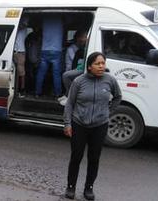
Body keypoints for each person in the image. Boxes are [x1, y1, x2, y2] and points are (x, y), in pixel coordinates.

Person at [63, 51, 122, 200]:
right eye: (97, 63)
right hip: (79, 124)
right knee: (76, 156)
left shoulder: (110, 80)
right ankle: (71, 187)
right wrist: (67, 124)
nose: (101, 66)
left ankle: (89, 188)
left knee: (94, 158)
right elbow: (69, 103)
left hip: (99, 125)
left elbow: (118, 97)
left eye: (103, 63)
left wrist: (108, 113)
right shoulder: (79, 81)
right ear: (89, 66)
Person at [35, 15, 63, 98]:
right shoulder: (60, 19)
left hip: (44, 49)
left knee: (41, 73)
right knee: (56, 74)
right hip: (56, 50)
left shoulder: (45, 19)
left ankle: (37, 92)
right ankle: (58, 93)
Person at [13, 18, 28, 97]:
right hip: (16, 50)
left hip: (20, 51)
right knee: (16, 72)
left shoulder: (23, 25)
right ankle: (17, 89)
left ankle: (21, 90)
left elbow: (23, 25)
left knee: (21, 72)